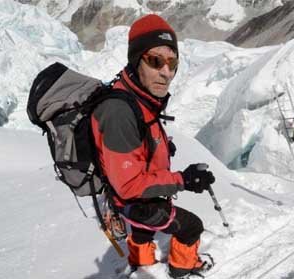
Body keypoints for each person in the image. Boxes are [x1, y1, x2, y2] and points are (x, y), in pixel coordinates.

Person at [90, 14, 215, 278]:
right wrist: (184, 179)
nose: (166, 72)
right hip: (133, 201)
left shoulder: (139, 98)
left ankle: (142, 261)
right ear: (136, 60)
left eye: (172, 63)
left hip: (135, 201)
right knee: (191, 226)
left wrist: (160, 147)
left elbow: (138, 144)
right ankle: (183, 267)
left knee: (143, 229)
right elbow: (129, 184)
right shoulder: (119, 111)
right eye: (155, 61)